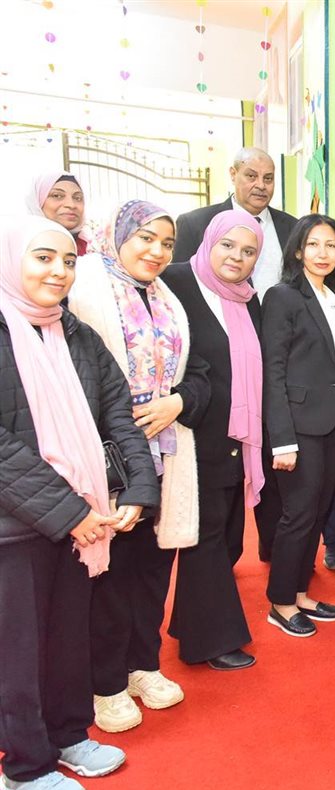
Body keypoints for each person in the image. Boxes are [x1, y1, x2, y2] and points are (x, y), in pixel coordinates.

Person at [0, 216, 159, 790]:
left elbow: (119, 414)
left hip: (83, 520)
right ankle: (23, 766)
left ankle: (68, 734)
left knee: (69, 639)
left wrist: (139, 489)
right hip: (15, 529)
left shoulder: (77, 334)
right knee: (19, 653)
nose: (58, 272)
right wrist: (70, 511)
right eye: (43, 258)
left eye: (68, 261)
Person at [68, 201, 199, 732]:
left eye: (166, 243)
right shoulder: (84, 289)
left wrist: (176, 402)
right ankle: (106, 683)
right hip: (108, 458)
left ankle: (143, 664)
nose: (157, 251)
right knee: (110, 575)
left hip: (163, 454)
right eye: (145, 238)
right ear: (118, 235)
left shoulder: (165, 296)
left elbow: (194, 370)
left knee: (152, 569)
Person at [161, 210, 267, 671]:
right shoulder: (175, 283)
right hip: (188, 432)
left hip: (233, 437)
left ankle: (190, 623)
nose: (236, 258)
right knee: (204, 534)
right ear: (209, 242)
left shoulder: (247, 298)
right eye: (228, 245)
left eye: (248, 251)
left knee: (222, 534)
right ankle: (210, 640)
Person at [261, 214, 335, 637]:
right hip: (299, 427)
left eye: (331, 245)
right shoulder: (283, 296)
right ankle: (281, 603)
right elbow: (273, 370)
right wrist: (281, 439)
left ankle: (300, 593)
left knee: (317, 512)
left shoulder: (334, 299)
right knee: (298, 514)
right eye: (314, 244)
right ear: (299, 250)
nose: (323, 253)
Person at [174, 149, 297, 297]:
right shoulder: (194, 224)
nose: (261, 185)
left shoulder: (293, 228)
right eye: (251, 176)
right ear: (233, 174)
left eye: (268, 178)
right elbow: (180, 286)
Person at [26, 172, 89, 255]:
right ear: (37, 202)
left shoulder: (92, 249)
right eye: (57, 196)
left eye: (78, 198)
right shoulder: (20, 248)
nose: (71, 205)